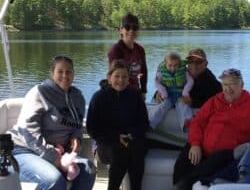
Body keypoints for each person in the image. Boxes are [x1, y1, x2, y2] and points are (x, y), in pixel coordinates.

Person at [172, 68, 250, 190]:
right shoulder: (214, 101)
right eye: (225, 84)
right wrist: (195, 144)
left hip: (226, 154)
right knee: (181, 167)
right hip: (201, 148)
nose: (228, 89)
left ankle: (186, 185)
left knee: (190, 180)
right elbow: (197, 123)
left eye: (233, 84)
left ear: (241, 85)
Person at [7, 55, 96, 190]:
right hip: (23, 150)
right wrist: (54, 158)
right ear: (52, 73)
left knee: (89, 170)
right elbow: (28, 132)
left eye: (69, 71)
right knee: (54, 180)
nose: (65, 75)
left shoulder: (78, 97)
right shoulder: (39, 93)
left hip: (60, 151)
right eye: (60, 71)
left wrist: (77, 138)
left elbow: (77, 125)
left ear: (74, 74)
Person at [86, 59, 149, 190]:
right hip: (105, 143)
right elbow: (92, 129)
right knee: (120, 152)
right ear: (109, 78)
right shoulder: (99, 97)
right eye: (117, 76)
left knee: (137, 150)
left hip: (130, 139)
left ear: (128, 79)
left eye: (124, 77)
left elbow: (144, 123)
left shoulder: (134, 95)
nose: (121, 80)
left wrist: (131, 134)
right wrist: (116, 137)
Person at [149, 51, 194, 132]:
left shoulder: (184, 71)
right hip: (168, 95)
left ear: (179, 64)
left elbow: (190, 81)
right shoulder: (162, 72)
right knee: (163, 106)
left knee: (184, 107)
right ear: (165, 64)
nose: (173, 68)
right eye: (170, 65)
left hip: (180, 95)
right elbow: (157, 82)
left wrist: (185, 92)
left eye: (175, 65)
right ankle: (151, 124)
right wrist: (162, 91)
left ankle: (186, 125)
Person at [108, 13, 147, 99]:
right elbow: (114, 78)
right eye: (128, 27)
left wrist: (143, 91)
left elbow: (143, 71)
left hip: (136, 94)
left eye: (135, 28)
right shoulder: (115, 50)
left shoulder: (140, 50)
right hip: (119, 95)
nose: (131, 31)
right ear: (121, 30)